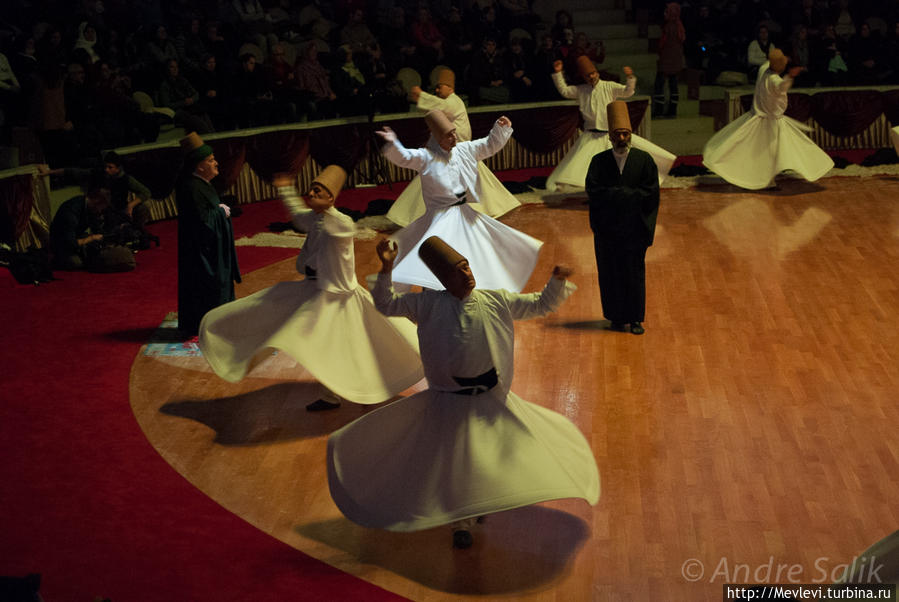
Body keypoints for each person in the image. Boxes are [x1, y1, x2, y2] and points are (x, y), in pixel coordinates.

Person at [327, 235, 600, 549]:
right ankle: (462, 519)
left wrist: (557, 280)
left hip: (490, 398)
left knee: (490, 454)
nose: (467, 274)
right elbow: (386, 303)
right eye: (458, 271)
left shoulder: (495, 300)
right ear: (444, 280)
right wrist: (386, 267)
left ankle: (483, 500)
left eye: (467, 267)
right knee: (458, 462)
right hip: (450, 403)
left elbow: (540, 304)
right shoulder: (426, 304)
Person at [199, 167, 423, 411]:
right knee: (308, 332)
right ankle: (332, 394)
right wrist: (285, 188)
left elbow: (344, 228)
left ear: (331, 198)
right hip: (315, 289)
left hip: (337, 297)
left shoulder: (339, 222)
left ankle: (351, 391)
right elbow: (298, 214)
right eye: (312, 189)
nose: (311, 192)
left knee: (342, 345)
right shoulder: (315, 218)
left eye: (318, 190)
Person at [376, 110, 542, 292]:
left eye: (454, 132)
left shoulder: (464, 149)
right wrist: (393, 142)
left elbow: (488, 145)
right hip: (439, 216)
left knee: (477, 248)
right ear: (438, 138)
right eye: (448, 135)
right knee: (439, 255)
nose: (454, 137)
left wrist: (499, 129)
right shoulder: (426, 157)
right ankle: (436, 291)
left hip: (464, 213)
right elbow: (405, 157)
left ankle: (476, 287)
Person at [385, 67, 521, 228]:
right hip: (447, 154)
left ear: (450, 88)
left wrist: (422, 96)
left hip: (460, 151)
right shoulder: (447, 105)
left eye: (439, 86)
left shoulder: (454, 101)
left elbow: (442, 107)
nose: (436, 90)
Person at [702, 49, 834, 190]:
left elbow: (770, 61)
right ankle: (766, 180)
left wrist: (782, 60)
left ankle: (765, 178)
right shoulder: (773, 80)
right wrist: (790, 75)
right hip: (769, 122)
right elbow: (782, 86)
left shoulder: (763, 69)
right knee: (770, 153)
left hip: (760, 118)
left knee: (753, 149)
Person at [585, 101, 660, 335]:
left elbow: (651, 193)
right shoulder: (599, 161)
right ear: (610, 136)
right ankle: (616, 317)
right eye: (617, 133)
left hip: (634, 228)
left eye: (625, 133)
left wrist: (621, 196)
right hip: (608, 230)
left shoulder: (644, 160)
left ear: (630, 135)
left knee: (634, 274)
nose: (621, 137)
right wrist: (621, 196)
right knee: (610, 274)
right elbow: (593, 191)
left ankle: (636, 318)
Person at [547, 56, 675, 192]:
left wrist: (630, 77)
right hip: (590, 135)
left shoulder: (609, 86)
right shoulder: (581, 90)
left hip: (609, 135)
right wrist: (558, 73)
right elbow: (565, 91)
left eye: (593, 74)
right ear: (584, 77)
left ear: (597, 73)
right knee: (581, 163)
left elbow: (628, 92)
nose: (591, 77)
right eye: (588, 75)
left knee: (622, 163)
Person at [176, 132, 240, 336]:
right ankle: (212, 325)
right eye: (211, 160)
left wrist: (217, 208)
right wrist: (220, 212)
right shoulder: (192, 187)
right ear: (199, 166)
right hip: (202, 252)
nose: (216, 163)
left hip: (209, 248)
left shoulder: (200, 184)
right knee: (208, 287)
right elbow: (203, 223)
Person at [48, 184, 136, 273]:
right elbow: (70, 243)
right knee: (76, 263)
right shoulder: (70, 212)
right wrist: (91, 238)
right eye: (101, 208)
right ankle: (56, 260)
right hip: (62, 242)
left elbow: (97, 230)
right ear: (96, 201)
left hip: (76, 236)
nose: (101, 211)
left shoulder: (90, 207)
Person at [653, 2, 685, 118]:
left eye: (667, 11)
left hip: (666, 59)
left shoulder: (668, 27)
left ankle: (659, 110)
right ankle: (672, 111)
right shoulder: (679, 26)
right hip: (676, 60)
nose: (664, 13)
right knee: (673, 85)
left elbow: (662, 44)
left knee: (659, 85)